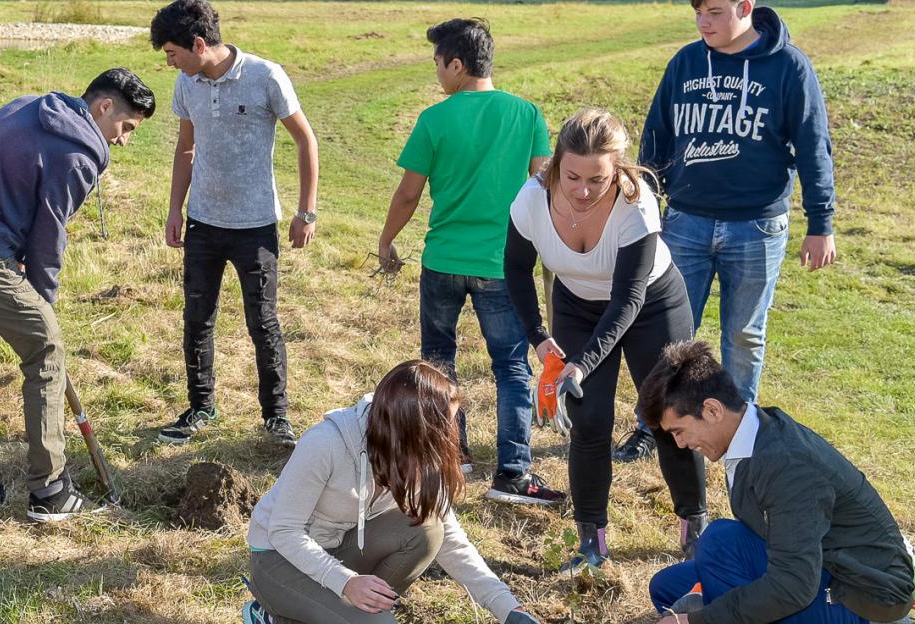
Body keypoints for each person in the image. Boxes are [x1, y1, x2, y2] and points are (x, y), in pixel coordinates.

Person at [0, 68, 156, 523]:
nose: (123, 141)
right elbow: (50, 236)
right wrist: (42, 301)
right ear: (103, 107)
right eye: (125, 128)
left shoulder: (26, 105)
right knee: (45, 350)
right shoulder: (80, 154)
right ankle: (49, 489)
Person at [626, 0, 839, 463]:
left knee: (744, 336)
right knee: (670, 331)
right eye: (699, 11)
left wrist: (821, 223)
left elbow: (813, 145)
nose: (705, 22)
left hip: (757, 225)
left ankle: (738, 437)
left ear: (746, 7)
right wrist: (644, 206)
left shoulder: (787, 66)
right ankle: (652, 424)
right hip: (685, 220)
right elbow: (656, 137)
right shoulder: (685, 62)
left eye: (717, 12)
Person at [503, 108, 708, 573]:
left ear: (617, 171)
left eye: (597, 180)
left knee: (668, 413)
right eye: (572, 176)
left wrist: (581, 363)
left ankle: (695, 526)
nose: (582, 190)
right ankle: (591, 541)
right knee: (589, 421)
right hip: (577, 305)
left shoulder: (636, 205)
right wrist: (539, 338)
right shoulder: (531, 199)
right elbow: (516, 269)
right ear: (556, 164)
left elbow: (628, 299)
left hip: (650, 305)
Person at [375, 18, 563, 506]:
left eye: (438, 63)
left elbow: (408, 194)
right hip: (503, 265)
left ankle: (450, 456)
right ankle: (514, 474)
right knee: (511, 368)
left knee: (438, 362)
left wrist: (387, 240)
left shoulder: (434, 120)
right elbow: (544, 189)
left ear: (456, 64)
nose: (437, 74)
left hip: (442, 261)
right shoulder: (527, 115)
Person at [243, 360, 544, 624]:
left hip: (340, 551)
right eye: (445, 426)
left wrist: (508, 609)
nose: (453, 435)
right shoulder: (326, 443)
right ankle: (275, 614)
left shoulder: (420, 454)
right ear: (414, 428)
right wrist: (345, 582)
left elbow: (451, 540)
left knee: (428, 530)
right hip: (278, 558)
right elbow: (284, 531)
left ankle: (337, 612)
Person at [640, 342, 913, 624]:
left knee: (718, 543)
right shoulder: (751, 433)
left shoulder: (787, 465)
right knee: (666, 586)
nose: (680, 443)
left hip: (863, 597)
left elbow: (795, 587)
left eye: (679, 431)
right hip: (818, 567)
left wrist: (699, 621)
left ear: (712, 410)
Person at [151, 0, 318, 448]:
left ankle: (276, 417)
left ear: (198, 44)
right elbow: (185, 148)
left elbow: (306, 139)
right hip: (204, 223)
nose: (169, 62)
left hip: (255, 226)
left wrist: (306, 212)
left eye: (171, 53)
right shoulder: (186, 84)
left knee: (263, 322)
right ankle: (201, 406)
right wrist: (175, 209)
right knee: (196, 318)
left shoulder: (266, 76)